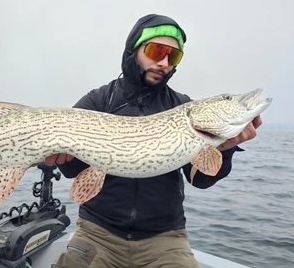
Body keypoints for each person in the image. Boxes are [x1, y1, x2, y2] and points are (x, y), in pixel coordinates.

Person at [46, 14, 262, 268]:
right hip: (97, 232)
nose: (164, 62)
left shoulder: (182, 107)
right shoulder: (99, 102)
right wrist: (63, 157)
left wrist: (224, 149)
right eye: (157, 51)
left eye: (173, 56)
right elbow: (72, 171)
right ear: (134, 50)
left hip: (165, 239)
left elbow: (200, 180)